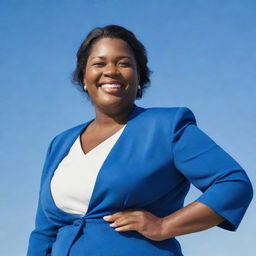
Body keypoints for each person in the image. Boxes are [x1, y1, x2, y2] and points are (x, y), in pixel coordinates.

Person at [26, 25, 253, 256]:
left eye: (123, 63)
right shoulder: (61, 143)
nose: (111, 71)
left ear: (139, 77)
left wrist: (164, 226)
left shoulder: (166, 126)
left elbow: (233, 184)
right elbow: (45, 231)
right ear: (84, 76)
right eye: (99, 63)